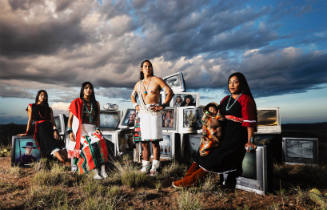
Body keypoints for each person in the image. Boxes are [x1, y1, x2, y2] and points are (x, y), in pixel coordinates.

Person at [172, 72, 257, 188]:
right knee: (202, 152)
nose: (232, 85)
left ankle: (192, 181)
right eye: (230, 82)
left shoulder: (246, 100)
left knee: (216, 156)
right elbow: (215, 115)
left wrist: (250, 141)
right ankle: (187, 178)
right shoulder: (225, 99)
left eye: (235, 82)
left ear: (241, 84)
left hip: (236, 137)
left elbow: (250, 124)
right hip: (223, 134)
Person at [131, 59, 173, 176]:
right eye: (145, 66)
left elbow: (170, 92)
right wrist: (135, 105)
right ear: (141, 69)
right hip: (143, 113)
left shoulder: (157, 80)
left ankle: (155, 167)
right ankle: (145, 166)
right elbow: (132, 95)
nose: (148, 68)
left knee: (155, 142)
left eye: (149, 66)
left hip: (154, 113)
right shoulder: (139, 84)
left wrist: (163, 105)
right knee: (144, 142)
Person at [67, 82, 110, 179]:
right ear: (82, 90)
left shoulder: (96, 103)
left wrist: (98, 129)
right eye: (86, 88)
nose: (88, 90)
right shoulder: (76, 102)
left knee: (102, 141)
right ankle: (95, 172)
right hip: (80, 130)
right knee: (90, 146)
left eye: (90, 88)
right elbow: (70, 120)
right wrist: (70, 132)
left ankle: (103, 170)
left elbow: (98, 119)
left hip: (92, 129)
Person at [19, 90, 66, 163]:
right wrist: (27, 132)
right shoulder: (31, 106)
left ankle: (62, 160)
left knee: (57, 143)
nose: (43, 97)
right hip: (40, 128)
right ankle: (63, 161)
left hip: (49, 128)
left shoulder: (49, 109)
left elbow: (53, 122)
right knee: (50, 145)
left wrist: (55, 131)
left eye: (45, 96)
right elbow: (30, 120)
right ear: (38, 96)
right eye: (41, 95)